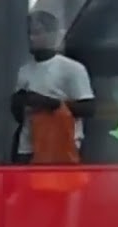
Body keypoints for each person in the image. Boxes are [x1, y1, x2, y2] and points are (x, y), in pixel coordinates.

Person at [11, 11, 95, 163]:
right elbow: (20, 118)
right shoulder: (24, 71)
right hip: (29, 146)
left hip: (62, 145)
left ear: (52, 35)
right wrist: (18, 103)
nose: (31, 38)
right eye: (29, 33)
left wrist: (50, 103)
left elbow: (88, 108)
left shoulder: (72, 69)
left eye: (37, 33)